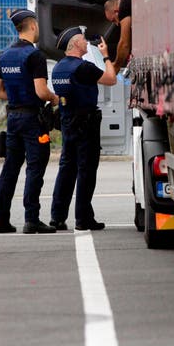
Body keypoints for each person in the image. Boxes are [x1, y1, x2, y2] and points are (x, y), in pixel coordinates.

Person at [0, 8, 59, 234]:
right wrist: (55, 98)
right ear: (32, 26)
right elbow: (41, 91)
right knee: (35, 168)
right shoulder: (35, 55)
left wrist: (17, 96)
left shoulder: (5, 55)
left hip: (13, 118)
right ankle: (31, 219)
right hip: (32, 119)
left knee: (10, 169)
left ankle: (1, 220)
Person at [49, 26, 117, 231]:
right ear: (75, 43)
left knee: (66, 169)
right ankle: (83, 218)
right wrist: (106, 56)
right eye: (84, 39)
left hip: (67, 123)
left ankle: (57, 217)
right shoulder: (83, 67)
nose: (87, 42)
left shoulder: (59, 67)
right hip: (86, 125)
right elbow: (111, 79)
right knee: (86, 171)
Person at [103, 0, 131, 72]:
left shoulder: (123, 8)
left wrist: (116, 65)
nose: (117, 24)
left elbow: (124, 43)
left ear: (116, 12)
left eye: (114, 20)